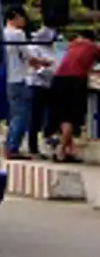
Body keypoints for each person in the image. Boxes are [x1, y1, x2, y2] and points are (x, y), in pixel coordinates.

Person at [3, 7, 51, 159]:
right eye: (23, 18)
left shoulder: (2, 33)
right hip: (19, 78)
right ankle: (13, 148)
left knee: (13, 115)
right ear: (15, 16)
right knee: (21, 116)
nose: (24, 21)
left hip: (8, 78)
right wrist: (44, 62)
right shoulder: (17, 34)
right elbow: (28, 56)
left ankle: (8, 146)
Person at [49, 33, 99, 162]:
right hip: (75, 81)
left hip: (58, 80)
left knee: (62, 116)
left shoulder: (71, 46)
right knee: (71, 117)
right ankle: (61, 150)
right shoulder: (93, 47)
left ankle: (68, 150)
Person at [28, 21, 61, 157]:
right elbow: (35, 67)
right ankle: (33, 146)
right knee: (35, 117)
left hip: (49, 85)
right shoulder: (32, 48)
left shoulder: (51, 49)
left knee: (48, 116)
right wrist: (46, 69)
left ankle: (48, 139)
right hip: (37, 85)